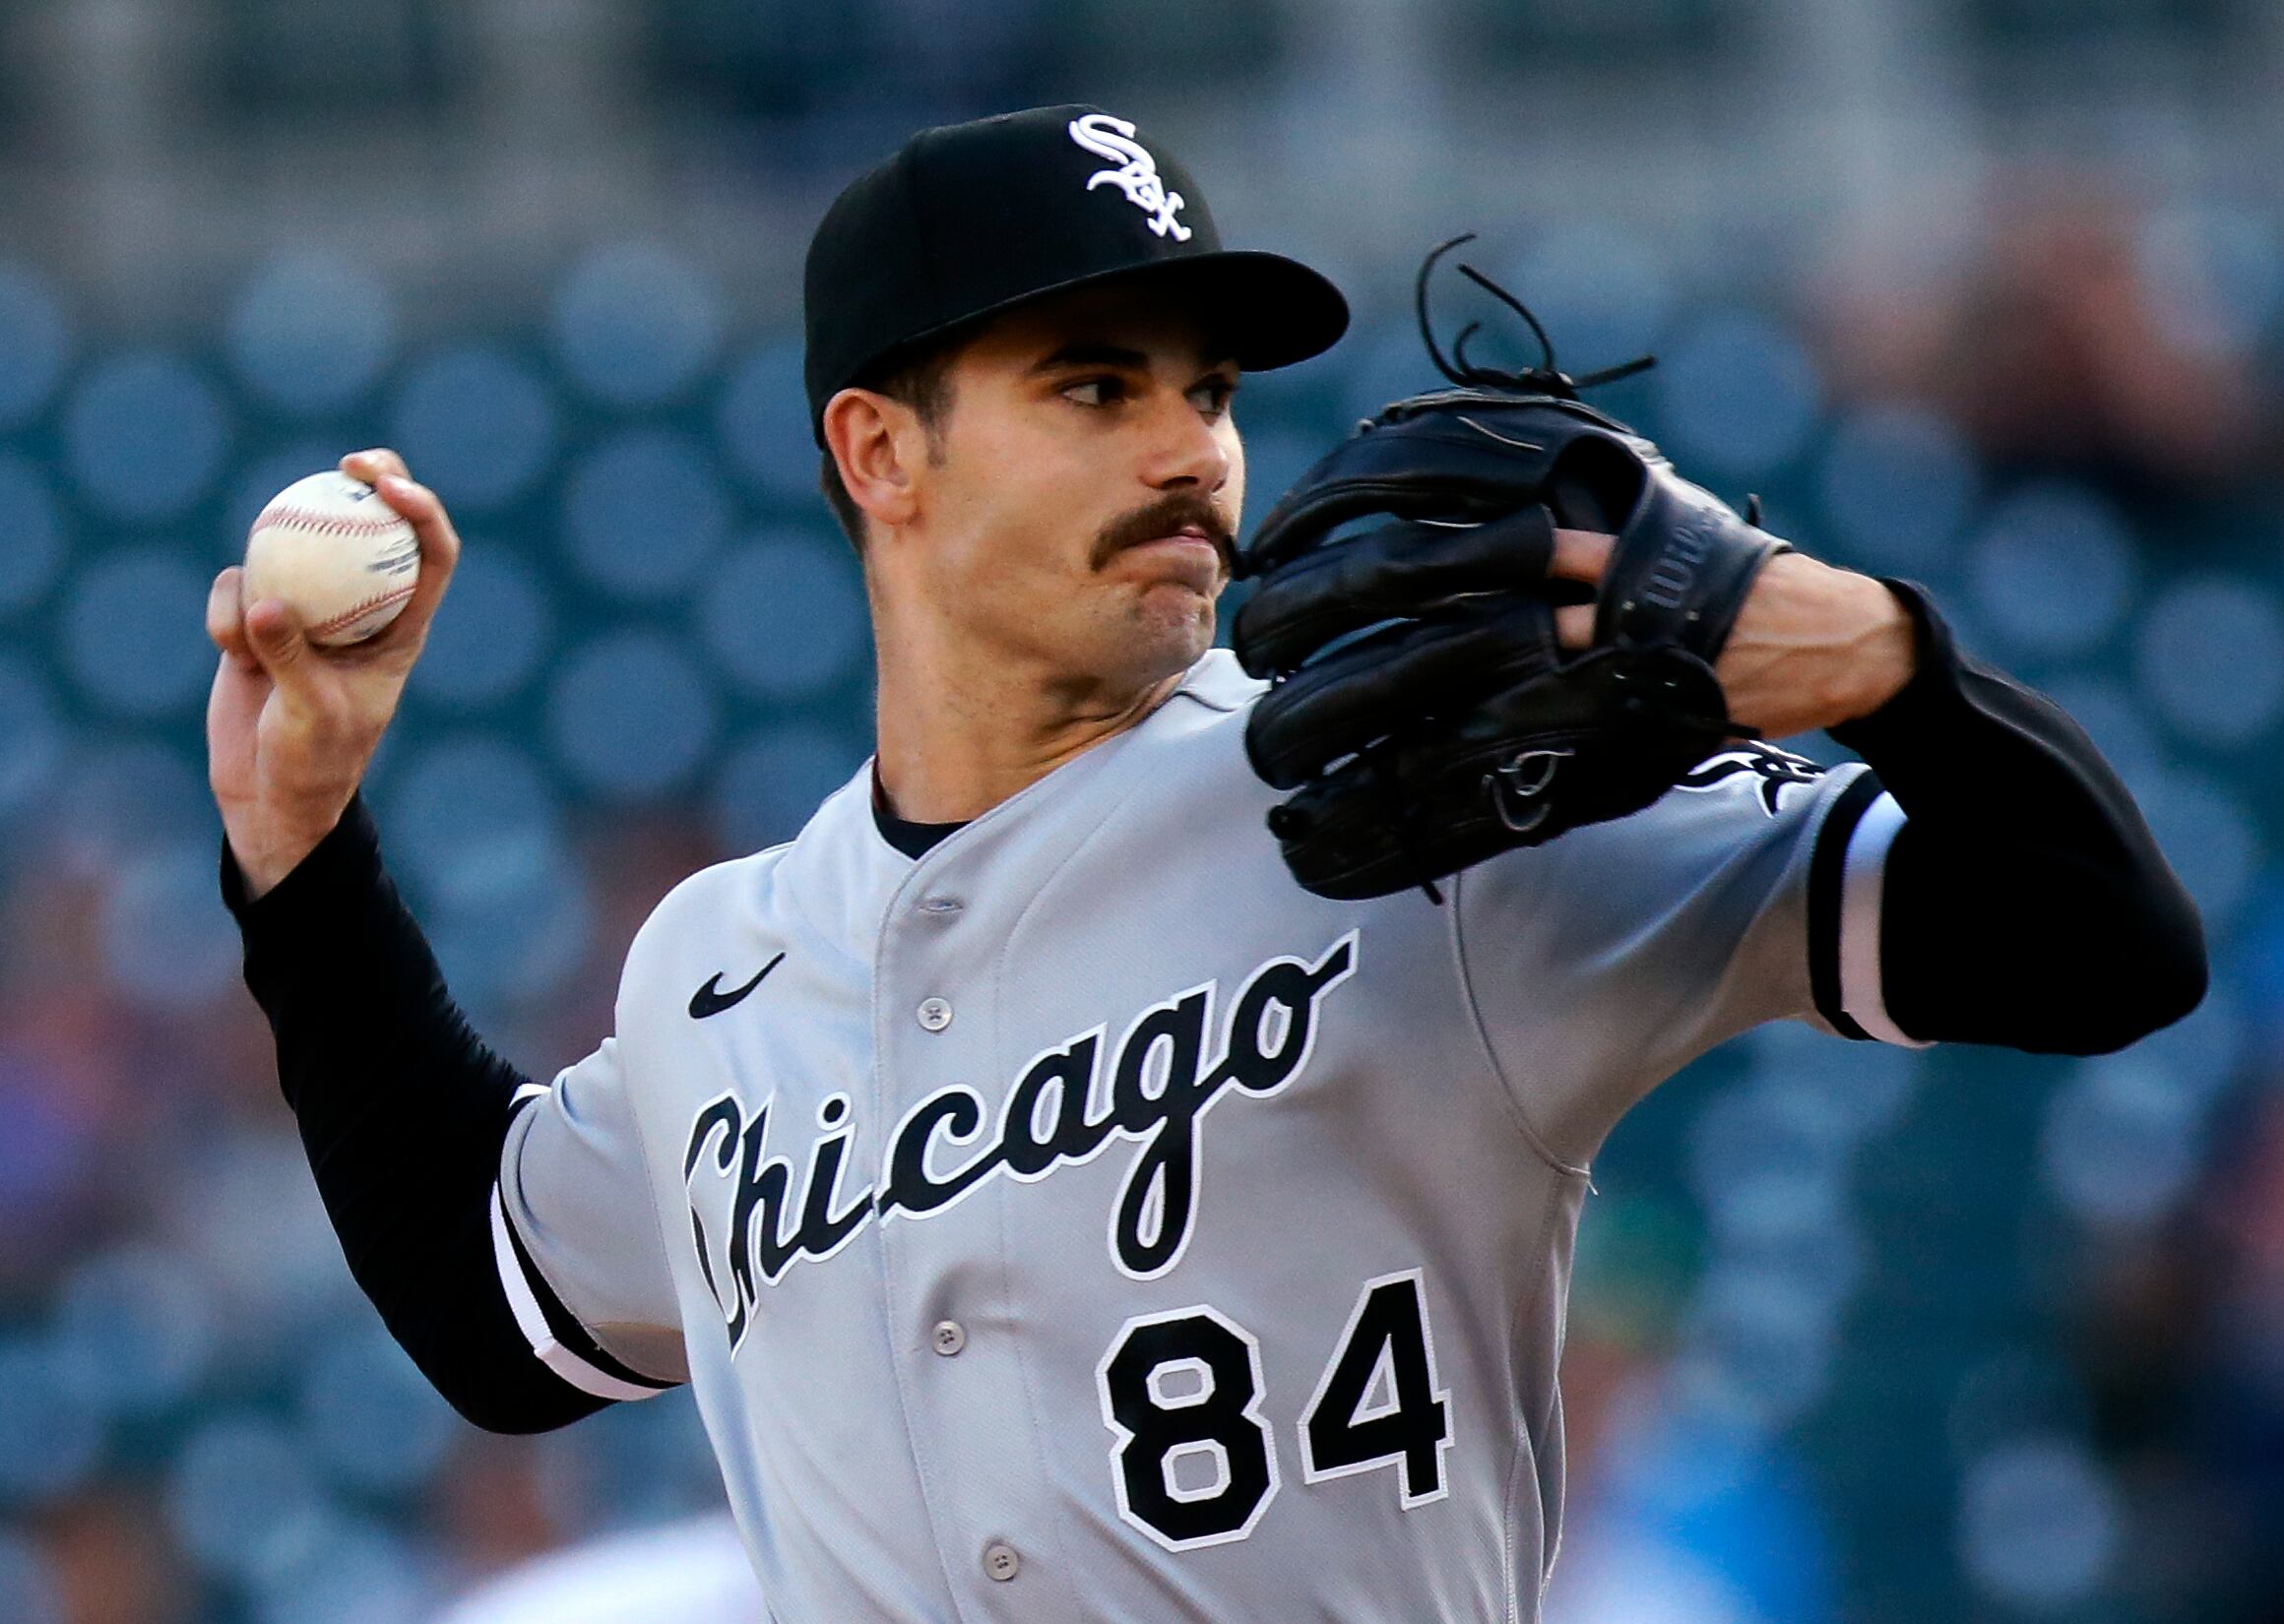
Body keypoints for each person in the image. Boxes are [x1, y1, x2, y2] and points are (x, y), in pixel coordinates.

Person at [207, 104, 2204, 1622]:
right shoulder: (718, 963)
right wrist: (300, 854)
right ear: (880, 453)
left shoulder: (1409, 810)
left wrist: (1881, 657)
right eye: (1096, 386)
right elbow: (496, 1307)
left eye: (1210, 391)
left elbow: (2099, 944)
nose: (1189, 451)